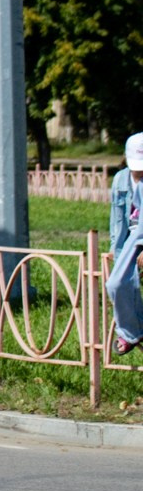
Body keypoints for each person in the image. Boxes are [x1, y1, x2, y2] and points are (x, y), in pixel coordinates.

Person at [109, 132, 143, 357]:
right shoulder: (121, 180)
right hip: (132, 237)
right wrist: (115, 247)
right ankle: (132, 332)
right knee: (116, 284)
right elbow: (117, 217)